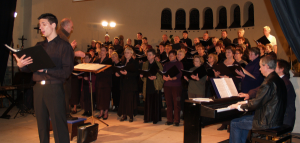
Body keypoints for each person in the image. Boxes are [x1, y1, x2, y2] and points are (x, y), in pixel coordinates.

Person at [13, 13, 73, 143]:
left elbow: (66, 72)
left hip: (54, 88)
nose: (41, 27)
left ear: (53, 25)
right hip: (39, 88)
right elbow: (29, 68)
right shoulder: (39, 46)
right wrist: (21, 65)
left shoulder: (64, 46)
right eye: (40, 25)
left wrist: (46, 69)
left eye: (43, 24)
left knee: (59, 125)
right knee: (41, 125)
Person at [228, 55, 287, 143]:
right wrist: (245, 103)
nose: (259, 69)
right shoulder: (278, 80)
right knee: (241, 121)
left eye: (260, 66)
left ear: (266, 66)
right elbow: (263, 99)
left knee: (234, 123)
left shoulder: (268, 82)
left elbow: (256, 103)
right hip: (275, 119)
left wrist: (239, 106)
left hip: (266, 121)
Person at [239, 59, 296, 129]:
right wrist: (249, 95)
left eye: (275, 66)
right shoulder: (278, 80)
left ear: (281, 69)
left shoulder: (284, 83)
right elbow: (261, 89)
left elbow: (284, 105)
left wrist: (241, 105)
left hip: (282, 119)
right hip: (275, 117)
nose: (273, 67)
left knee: (238, 122)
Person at [140, 49, 164, 124]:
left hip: (155, 85)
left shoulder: (158, 64)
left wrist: (155, 77)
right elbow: (143, 75)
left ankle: (155, 118)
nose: (148, 56)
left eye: (150, 55)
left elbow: (161, 76)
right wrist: (142, 76)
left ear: (154, 56)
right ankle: (147, 118)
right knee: (148, 102)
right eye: (147, 55)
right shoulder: (145, 64)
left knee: (155, 102)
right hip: (148, 85)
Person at [116, 48, 139, 122]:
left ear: (132, 54)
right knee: (124, 100)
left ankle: (131, 115)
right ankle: (124, 115)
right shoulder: (122, 62)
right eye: (125, 52)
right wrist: (118, 74)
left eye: (128, 52)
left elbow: (136, 74)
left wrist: (127, 74)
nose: (126, 54)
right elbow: (120, 71)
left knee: (130, 100)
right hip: (124, 84)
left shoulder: (135, 62)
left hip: (131, 84)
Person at [163, 50, 183, 126]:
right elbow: (163, 74)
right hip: (167, 85)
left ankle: (177, 120)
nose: (170, 57)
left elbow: (179, 75)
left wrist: (171, 78)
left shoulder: (179, 64)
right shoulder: (166, 64)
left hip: (176, 85)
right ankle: (169, 119)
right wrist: (164, 78)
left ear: (175, 56)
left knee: (176, 103)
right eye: (169, 55)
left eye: (172, 55)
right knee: (168, 103)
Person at [94, 46, 113, 120]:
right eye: (101, 50)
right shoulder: (97, 60)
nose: (102, 51)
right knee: (99, 96)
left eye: (103, 50)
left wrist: (103, 71)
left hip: (106, 82)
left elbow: (110, 71)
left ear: (106, 52)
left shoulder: (109, 60)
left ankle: (106, 112)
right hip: (99, 81)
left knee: (106, 97)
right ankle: (101, 112)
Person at [80, 53, 95, 117]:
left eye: (86, 58)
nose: (85, 59)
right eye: (84, 58)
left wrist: (88, 78)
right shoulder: (83, 65)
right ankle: (86, 110)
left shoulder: (92, 66)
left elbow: (94, 76)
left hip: (90, 84)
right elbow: (81, 73)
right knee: (85, 98)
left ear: (90, 59)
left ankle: (90, 111)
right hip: (85, 84)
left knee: (90, 98)